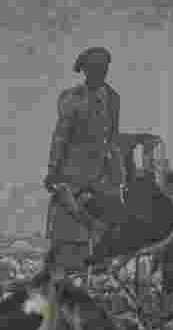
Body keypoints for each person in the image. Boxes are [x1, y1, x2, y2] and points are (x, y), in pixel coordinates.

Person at [44, 47, 121, 279]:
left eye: (104, 70)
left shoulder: (113, 98)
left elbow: (113, 138)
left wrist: (116, 171)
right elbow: (60, 137)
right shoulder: (72, 99)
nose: (101, 74)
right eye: (96, 70)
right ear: (86, 72)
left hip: (101, 175)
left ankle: (97, 276)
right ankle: (67, 273)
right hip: (72, 172)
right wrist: (53, 171)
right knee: (68, 225)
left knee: (100, 228)